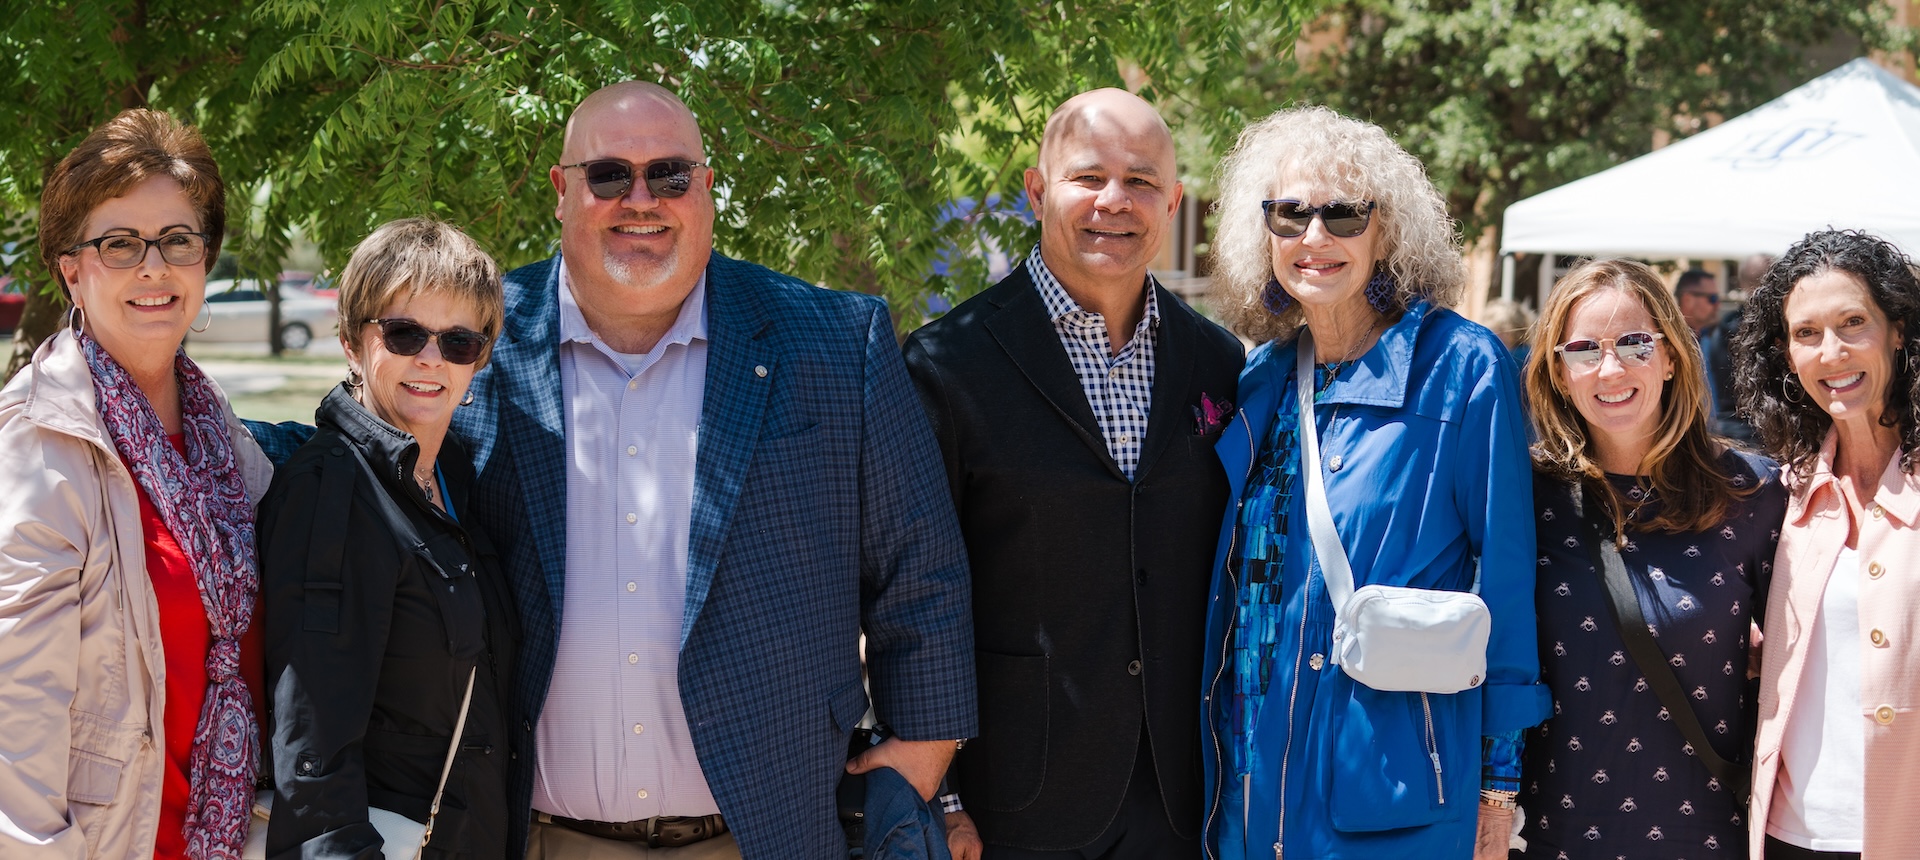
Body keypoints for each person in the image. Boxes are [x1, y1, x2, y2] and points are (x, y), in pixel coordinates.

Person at [251, 81, 978, 858]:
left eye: (670, 175)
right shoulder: (476, 340)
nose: (642, 200)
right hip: (539, 836)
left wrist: (925, 754)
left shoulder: (834, 343)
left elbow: (920, 567)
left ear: (706, 187)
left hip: (768, 832)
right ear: (562, 190)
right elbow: (375, 461)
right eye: (608, 176)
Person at [1197, 105, 1549, 860]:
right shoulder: (1260, 380)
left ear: (1386, 232)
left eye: (1344, 214)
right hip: (1249, 776)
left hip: (1389, 787)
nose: (1314, 237)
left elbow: (1508, 584)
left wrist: (1498, 791)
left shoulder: (1461, 368)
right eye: (1289, 214)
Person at [903, 89, 1245, 859]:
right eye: (1088, 177)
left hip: (1185, 798)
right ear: (1036, 190)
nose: (1113, 202)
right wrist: (945, 795)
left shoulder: (1219, 362)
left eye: (1141, 182)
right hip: (1012, 802)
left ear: (1174, 203)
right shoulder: (944, 366)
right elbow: (913, 590)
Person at [0, 109, 272, 857]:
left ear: (205, 260)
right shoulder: (42, 446)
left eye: (177, 240)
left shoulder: (224, 441)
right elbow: (14, 727)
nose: (153, 267)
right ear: (71, 270)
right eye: (119, 244)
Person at [256, 218, 518, 858]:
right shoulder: (333, 491)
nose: (431, 359)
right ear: (351, 341)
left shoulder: (452, 478)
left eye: (459, 341)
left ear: (479, 359)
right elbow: (312, 746)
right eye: (404, 333)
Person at [1520, 258, 1786, 859]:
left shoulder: (1753, 494)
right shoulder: (1522, 497)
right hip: (1551, 832)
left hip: (1706, 832)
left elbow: (1801, 671)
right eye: (1584, 349)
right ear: (1560, 374)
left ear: (1671, 358)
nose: (1610, 369)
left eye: (1635, 343)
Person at [1733, 229, 1920, 860]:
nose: (1831, 352)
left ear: (1898, 330)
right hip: (1790, 835)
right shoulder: (1778, 496)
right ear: (1787, 356)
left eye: (1853, 323)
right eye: (1807, 333)